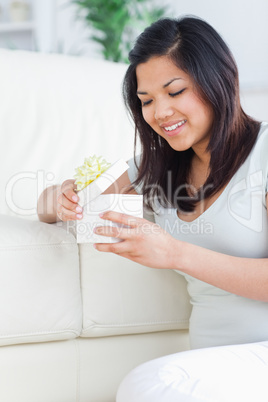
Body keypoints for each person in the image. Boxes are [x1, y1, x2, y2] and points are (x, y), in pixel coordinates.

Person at [38, 15, 268, 402]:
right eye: (146, 101)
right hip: (210, 367)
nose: (159, 113)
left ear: (219, 80)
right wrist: (58, 198)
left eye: (175, 91)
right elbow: (59, 205)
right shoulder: (156, 167)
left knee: (146, 386)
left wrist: (174, 252)